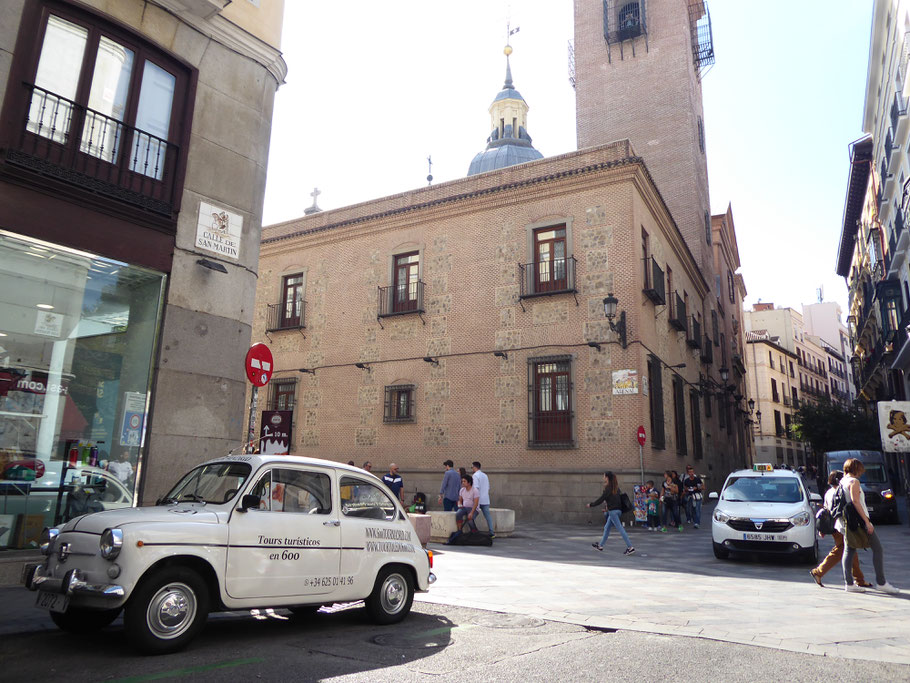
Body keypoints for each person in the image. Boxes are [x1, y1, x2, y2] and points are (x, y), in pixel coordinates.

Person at [839, 458, 900, 594]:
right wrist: (867, 522)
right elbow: (856, 501)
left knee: (849, 550)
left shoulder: (842, 481)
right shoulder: (854, 482)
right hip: (860, 520)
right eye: (860, 469)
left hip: (849, 521)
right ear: (857, 468)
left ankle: (849, 583)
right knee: (877, 549)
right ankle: (881, 582)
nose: (862, 472)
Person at [809, 470, 869, 589]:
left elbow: (826, 510)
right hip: (842, 525)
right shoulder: (841, 491)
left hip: (835, 526)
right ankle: (818, 572)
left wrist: (822, 529)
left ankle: (859, 579)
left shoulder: (828, 492)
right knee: (842, 550)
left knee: (850, 550)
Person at [586, 471, 635, 555]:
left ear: (607, 478)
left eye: (604, 476)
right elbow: (616, 500)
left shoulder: (608, 488)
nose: (603, 478)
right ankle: (600, 545)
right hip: (618, 511)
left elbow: (601, 499)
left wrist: (591, 504)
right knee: (607, 528)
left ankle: (630, 547)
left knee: (620, 529)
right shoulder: (616, 488)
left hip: (613, 512)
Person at [471, 461, 495, 537]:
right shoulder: (485, 475)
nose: (472, 469)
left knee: (471, 517)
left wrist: (474, 499)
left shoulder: (475, 476)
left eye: (472, 467)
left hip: (478, 500)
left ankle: (473, 531)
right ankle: (491, 532)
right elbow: (488, 487)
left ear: (475, 467)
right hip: (485, 499)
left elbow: (476, 488)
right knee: (488, 516)